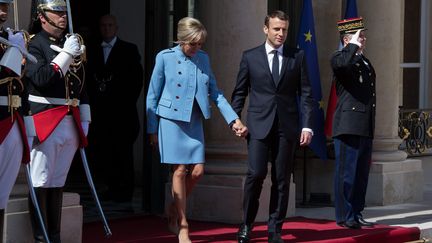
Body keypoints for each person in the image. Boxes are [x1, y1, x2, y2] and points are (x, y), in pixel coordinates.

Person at [146, 17, 247, 243]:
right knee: (180, 170)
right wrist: (152, 129)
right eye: (193, 44)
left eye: (200, 44)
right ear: (181, 39)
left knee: (198, 172)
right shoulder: (164, 58)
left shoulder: (203, 59)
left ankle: (173, 208)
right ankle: (182, 225)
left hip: (194, 121)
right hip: (170, 120)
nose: (197, 48)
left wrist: (233, 120)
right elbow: (152, 95)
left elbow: (216, 92)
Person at [231, 10, 314, 243]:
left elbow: (306, 94)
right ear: (265, 29)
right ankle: (246, 225)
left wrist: (307, 127)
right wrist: (234, 119)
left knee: (281, 179)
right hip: (258, 126)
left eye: (284, 29)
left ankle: (274, 229)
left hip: (287, 128)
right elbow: (239, 92)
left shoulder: (297, 56)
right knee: (255, 174)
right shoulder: (250, 57)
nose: (281, 33)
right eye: (276, 29)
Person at [25, 0, 89, 242]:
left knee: (58, 180)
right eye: (57, 12)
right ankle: (42, 238)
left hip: (69, 120)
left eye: (64, 12)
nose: (63, 17)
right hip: (45, 118)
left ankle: (55, 235)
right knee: (41, 180)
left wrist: (85, 118)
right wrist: (65, 55)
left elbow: (81, 84)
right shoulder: (35, 44)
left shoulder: (70, 44)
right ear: (43, 16)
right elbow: (41, 78)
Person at [87, 14, 143, 202]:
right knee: (104, 151)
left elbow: (136, 80)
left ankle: (125, 190)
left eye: (110, 25)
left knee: (123, 153)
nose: (107, 28)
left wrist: (122, 104)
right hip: (100, 112)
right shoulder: (92, 50)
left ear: (116, 28)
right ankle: (110, 187)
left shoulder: (129, 49)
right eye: (103, 25)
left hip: (122, 113)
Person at [331, 17, 376, 229]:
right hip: (348, 124)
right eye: (360, 35)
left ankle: (356, 213)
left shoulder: (364, 61)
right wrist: (352, 46)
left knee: (360, 175)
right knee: (346, 174)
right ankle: (344, 215)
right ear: (348, 38)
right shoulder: (340, 57)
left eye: (363, 35)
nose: (364, 39)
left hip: (364, 124)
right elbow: (342, 66)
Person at [0, 0, 36, 239]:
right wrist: (14, 54)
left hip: (13, 120)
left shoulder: (10, 37)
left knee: (2, 196)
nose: (3, 12)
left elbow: (23, 85)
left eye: (6, 7)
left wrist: (28, 125)